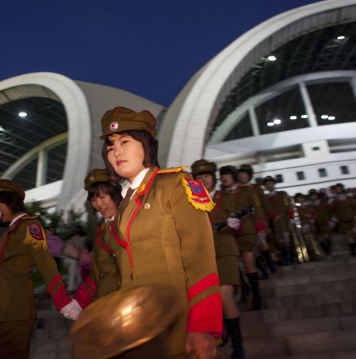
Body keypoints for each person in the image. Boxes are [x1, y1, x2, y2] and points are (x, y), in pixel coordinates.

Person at [98, 107, 222, 359]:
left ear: (146, 145)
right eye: (110, 147)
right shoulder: (123, 203)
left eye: (124, 141)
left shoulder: (177, 184)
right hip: (139, 329)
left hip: (178, 322)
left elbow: (200, 259)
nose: (116, 151)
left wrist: (202, 326)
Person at [0, 179, 80, 359]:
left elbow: (46, 264)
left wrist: (62, 300)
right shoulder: (8, 233)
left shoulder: (29, 226)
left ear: (11, 202)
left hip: (15, 312)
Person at [193, 159, 244, 359]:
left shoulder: (227, 197)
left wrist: (234, 225)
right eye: (198, 177)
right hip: (203, 255)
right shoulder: (192, 201)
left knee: (225, 295)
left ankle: (238, 347)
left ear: (213, 178)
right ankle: (226, 332)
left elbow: (238, 226)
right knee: (212, 298)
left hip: (225, 251)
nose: (203, 179)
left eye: (206, 176)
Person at [71, 168, 122, 310]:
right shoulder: (101, 233)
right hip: (106, 307)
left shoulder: (131, 223)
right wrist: (78, 302)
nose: (98, 205)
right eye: (93, 200)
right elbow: (96, 275)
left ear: (115, 194)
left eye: (102, 197)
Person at [219, 165, 265, 311]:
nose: (224, 178)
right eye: (222, 176)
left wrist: (261, 227)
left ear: (234, 176)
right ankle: (244, 288)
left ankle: (256, 296)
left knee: (248, 262)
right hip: (230, 234)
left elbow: (257, 209)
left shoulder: (246, 190)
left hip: (247, 231)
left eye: (227, 175)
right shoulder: (221, 195)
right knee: (234, 268)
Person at [328, 183, 356, 256]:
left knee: (354, 231)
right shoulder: (334, 201)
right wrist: (335, 219)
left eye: (339, 188)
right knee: (349, 235)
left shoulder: (348, 197)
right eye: (336, 189)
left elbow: (354, 206)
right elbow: (334, 211)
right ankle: (353, 251)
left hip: (351, 218)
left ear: (342, 189)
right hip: (342, 219)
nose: (338, 190)